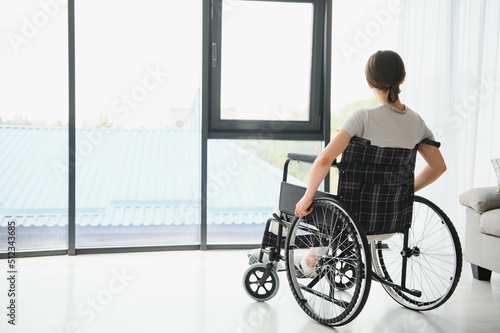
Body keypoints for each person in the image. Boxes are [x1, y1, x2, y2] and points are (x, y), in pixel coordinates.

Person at [293, 50, 447, 275]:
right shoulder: (417, 123)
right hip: (391, 221)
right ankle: (311, 258)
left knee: (295, 201)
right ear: (403, 77)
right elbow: (438, 167)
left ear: (368, 83)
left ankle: (306, 262)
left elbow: (325, 159)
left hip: (351, 222)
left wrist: (307, 197)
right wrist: (404, 191)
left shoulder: (362, 118)